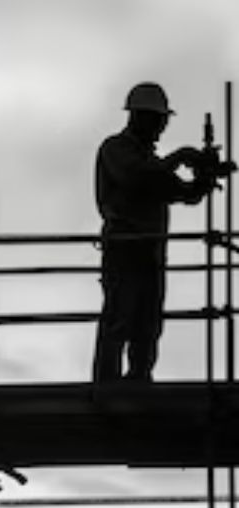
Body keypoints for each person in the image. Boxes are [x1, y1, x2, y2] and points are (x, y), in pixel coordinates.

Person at [91, 82, 224, 385]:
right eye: (158, 120)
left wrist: (204, 178)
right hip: (124, 248)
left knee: (147, 324)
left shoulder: (153, 162)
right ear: (140, 117)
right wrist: (180, 157)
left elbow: (184, 193)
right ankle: (106, 385)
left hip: (150, 252)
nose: (161, 127)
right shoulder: (115, 149)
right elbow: (135, 177)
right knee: (119, 319)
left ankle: (139, 379)